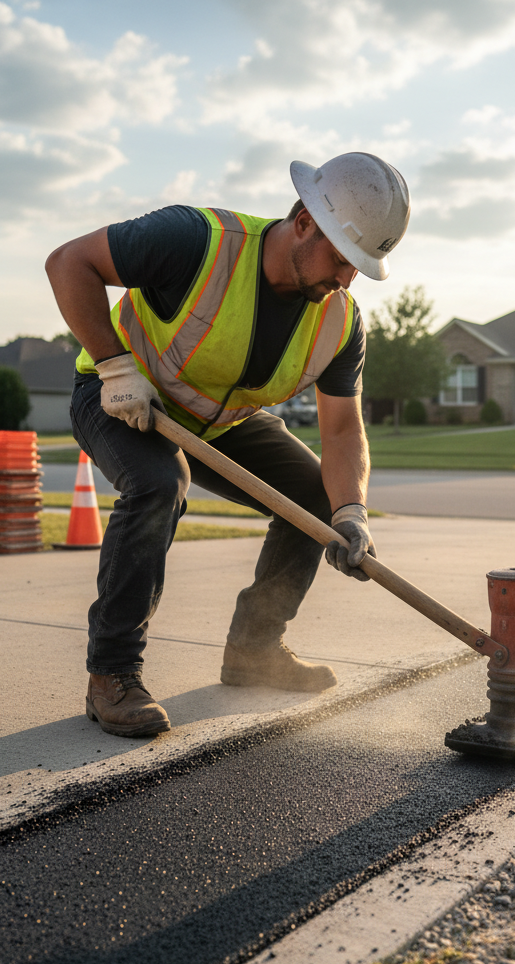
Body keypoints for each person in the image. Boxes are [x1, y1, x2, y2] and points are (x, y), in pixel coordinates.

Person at [45, 152, 411, 739]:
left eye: (360, 269)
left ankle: (255, 650)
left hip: (219, 422)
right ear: (303, 222)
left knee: (316, 496)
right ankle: (111, 673)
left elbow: (343, 430)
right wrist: (114, 367)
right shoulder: (197, 241)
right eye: (343, 259)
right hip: (119, 396)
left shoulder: (341, 324)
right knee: (159, 483)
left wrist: (351, 512)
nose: (346, 279)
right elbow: (68, 263)